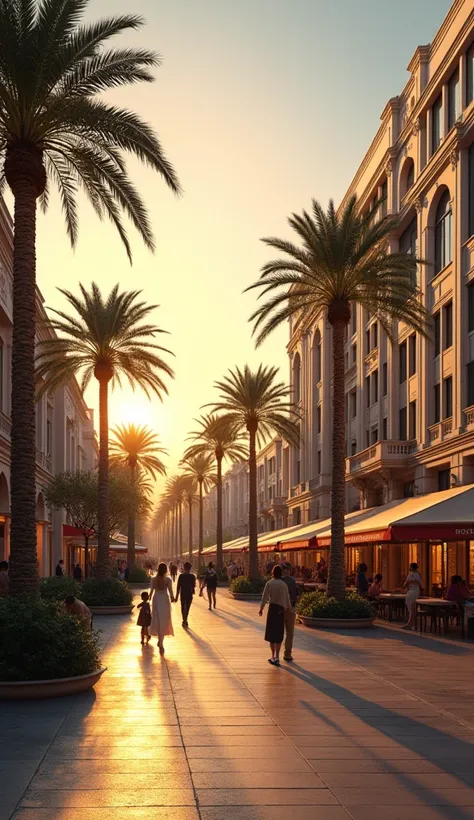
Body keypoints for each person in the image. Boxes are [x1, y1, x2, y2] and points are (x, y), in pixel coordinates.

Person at [259, 565, 291, 666]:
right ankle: (277, 656)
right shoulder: (283, 585)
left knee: (271, 634)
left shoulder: (269, 583)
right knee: (279, 634)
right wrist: (288, 609)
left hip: (272, 609)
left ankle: (273, 656)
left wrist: (261, 608)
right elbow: (287, 598)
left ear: (273, 573)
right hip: (280, 610)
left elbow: (264, 596)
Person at [149, 563, 174, 653]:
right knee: (164, 620)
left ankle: (160, 641)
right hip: (164, 600)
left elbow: (152, 589)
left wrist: (150, 596)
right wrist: (173, 597)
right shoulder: (168, 579)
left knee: (157, 619)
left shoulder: (153, 579)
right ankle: (161, 642)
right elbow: (170, 590)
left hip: (156, 599)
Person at [281, 562, 299, 662]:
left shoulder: (277, 580)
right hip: (290, 608)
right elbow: (297, 595)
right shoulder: (292, 581)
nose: (286, 571)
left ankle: (276, 654)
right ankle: (287, 654)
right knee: (290, 632)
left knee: (280, 632)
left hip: (280, 609)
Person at [402, 562, 423, 630]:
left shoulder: (410, 575)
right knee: (413, 608)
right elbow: (420, 584)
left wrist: (408, 583)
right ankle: (411, 624)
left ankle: (410, 624)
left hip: (411, 592)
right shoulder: (418, 575)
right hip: (415, 591)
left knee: (411, 608)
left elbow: (405, 584)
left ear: (411, 567)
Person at [175, 561, 196, 627]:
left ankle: (184, 620)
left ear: (184, 568)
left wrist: (176, 596)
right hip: (189, 593)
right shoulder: (192, 576)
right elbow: (194, 585)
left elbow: (178, 587)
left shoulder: (181, 576)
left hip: (183, 593)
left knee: (182, 606)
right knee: (187, 607)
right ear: (190, 568)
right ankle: (185, 619)